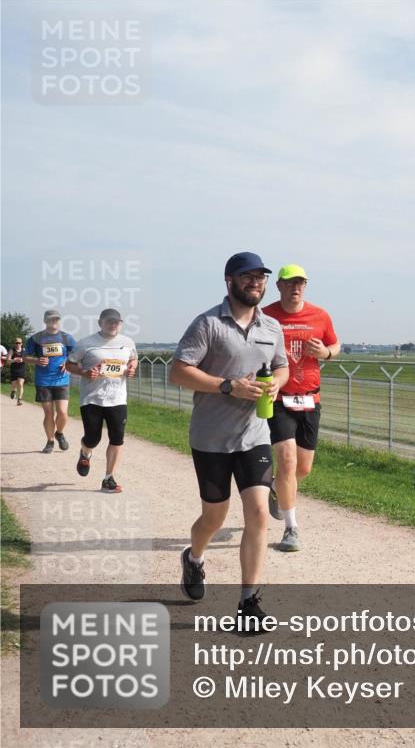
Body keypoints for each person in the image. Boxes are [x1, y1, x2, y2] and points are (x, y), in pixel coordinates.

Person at [169, 252, 288, 628]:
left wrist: (276, 383)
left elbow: (282, 365)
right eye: (247, 276)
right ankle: (194, 558)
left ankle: (248, 603)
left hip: (254, 435)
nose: (256, 282)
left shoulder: (272, 328)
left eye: (261, 277)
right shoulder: (208, 324)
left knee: (257, 514)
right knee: (214, 517)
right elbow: (178, 372)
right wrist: (227, 386)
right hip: (210, 438)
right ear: (229, 280)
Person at [262, 264, 340, 552]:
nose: (295, 288)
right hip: (279, 398)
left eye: (301, 283)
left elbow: (335, 344)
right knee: (287, 462)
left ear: (305, 286)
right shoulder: (266, 316)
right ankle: (291, 529)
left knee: (303, 469)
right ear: (279, 286)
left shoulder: (320, 315)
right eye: (290, 283)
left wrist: (326, 353)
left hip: (310, 399)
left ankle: (275, 488)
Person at [65, 309, 138, 492]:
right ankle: (85, 452)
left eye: (117, 322)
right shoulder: (86, 343)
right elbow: (69, 364)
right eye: (109, 321)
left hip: (118, 399)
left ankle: (108, 478)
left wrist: (131, 368)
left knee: (117, 439)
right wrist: (84, 372)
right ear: (100, 323)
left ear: (121, 323)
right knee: (92, 438)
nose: (113, 325)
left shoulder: (127, 343)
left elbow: (134, 359)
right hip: (92, 399)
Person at [23, 310, 76, 453]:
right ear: (45, 321)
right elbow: (25, 357)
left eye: (56, 319)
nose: (54, 321)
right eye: (50, 319)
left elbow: (76, 355)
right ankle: (50, 441)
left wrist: (67, 363)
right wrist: (36, 360)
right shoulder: (36, 338)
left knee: (63, 413)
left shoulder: (66, 338)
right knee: (48, 413)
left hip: (62, 380)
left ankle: (59, 433)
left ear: (59, 321)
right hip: (43, 381)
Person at [8, 338, 27, 405]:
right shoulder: (12, 350)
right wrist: (14, 360)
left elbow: (27, 359)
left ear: (21, 344)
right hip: (14, 369)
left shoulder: (24, 350)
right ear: (14, 343)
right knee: (14, 385)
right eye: (16, 343)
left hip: (22, 369)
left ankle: (19, 400)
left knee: (20, 384)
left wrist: (22, 360)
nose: (17, 344)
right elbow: (8, 361)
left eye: (19, 343)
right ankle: (13, 391)